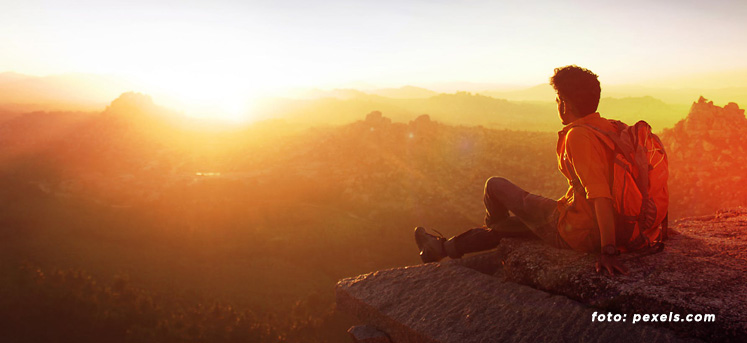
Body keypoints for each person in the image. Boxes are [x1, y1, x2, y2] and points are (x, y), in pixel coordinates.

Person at [415, 65, 629, 276]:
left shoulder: (579, 136)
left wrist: (608, 250)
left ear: (565, 104)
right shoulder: (610, 128)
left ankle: (492, 232)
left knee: (494, 186)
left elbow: (601, 196)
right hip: (610, 225)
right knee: (526, 221)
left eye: (558, 100)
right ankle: (443, 248)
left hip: (578, 231)